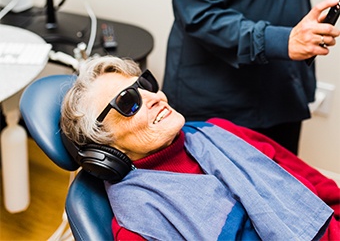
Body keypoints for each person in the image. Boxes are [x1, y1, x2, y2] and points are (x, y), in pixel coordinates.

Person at [60, 56, 340, 241]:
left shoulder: (219, 130)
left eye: (145, 85)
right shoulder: (140, 225)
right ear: (103, 146)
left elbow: (318, 188)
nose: (155, 97)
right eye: (128, 102)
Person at [154, 0, 340, 154]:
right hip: (222, 97)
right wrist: (282, 40)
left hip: (281, 85)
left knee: (285, 182)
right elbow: (198, 15)